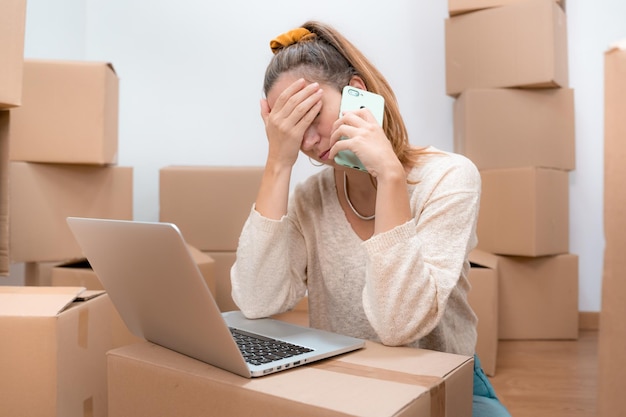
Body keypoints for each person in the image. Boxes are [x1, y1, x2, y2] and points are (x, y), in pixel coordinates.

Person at [231, 21, 511, 416]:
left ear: (355, 95)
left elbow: (399, 326)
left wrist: (391, 177)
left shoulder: (448, 178)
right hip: (345, 384)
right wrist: (278, 163)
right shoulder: (312, 198)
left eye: (312, 116)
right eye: (290, 128)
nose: (307, 141)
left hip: (442, 379)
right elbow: (258, 302)